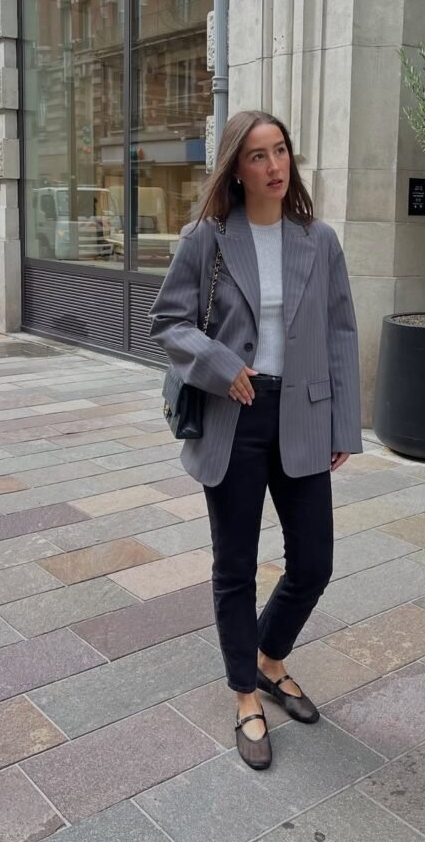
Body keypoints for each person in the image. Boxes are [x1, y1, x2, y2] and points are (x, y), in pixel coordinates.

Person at [150, 110, 362, 770]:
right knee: (235, 566)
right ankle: (246, 691)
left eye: (282, 153)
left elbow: (341, 335)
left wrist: (343, 425)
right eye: (259, 156)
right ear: (236, 169)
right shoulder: (206, 238)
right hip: (234, 416)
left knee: (315, 564)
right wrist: (221, 367)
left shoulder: (318, 240)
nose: (275, 167)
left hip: (301, 412)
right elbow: (169, 321)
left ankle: (268, 656)